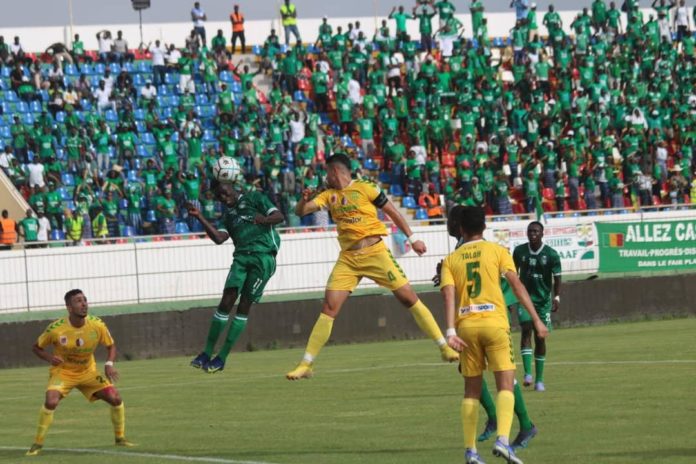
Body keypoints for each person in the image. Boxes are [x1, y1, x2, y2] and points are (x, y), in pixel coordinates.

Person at [285, 153, 459, 380]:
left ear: (336, 171)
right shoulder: (328, 195)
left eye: (327, 172)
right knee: (329, 308)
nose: (325, 176)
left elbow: (393, 212)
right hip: (348, 259)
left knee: (408, 298)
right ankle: (306, 364)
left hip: (376, 253)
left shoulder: (366, 187)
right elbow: (301, 211)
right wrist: (303, 199)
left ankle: (444, 347)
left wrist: (412, 238)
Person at [440, 206, 548, 464]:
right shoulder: (498, 251)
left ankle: (471, 452)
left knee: (471, 391)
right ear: (484, 228)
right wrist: (535, 319)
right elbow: (517, 285)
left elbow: (448, 294)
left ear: (462, 229)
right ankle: (503, 440)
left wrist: (450, 331)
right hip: (495, 324)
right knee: (505, 384)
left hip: (465, 327)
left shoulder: (450, 260)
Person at [25, 289, 134, 456]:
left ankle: (120, 438)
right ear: (69, 307)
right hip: (63, 372)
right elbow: (36, 348)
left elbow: (111, 345)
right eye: (78, 301)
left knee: (115, 398)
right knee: (51, 401)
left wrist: (109, 364)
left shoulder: (97, 325)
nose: (84, 304)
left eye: (85, 300)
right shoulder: (56, 329)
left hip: (88, 372)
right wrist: (49, 358)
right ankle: (37, 443)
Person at [189, 182, 284, 373]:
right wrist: (200, 217)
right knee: (226, 302)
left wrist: (263, 220)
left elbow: (279, 216)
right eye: (219, 197)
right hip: (241, 258)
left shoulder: (254, 198)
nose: (223, 198)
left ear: (233, 187)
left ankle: (221, 357)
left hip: (263, 258)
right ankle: (206, 353)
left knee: (243, 306)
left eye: (224, 192)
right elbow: (219, 238)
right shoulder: (228, 216)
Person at [513, 221, 562, 392]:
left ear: (542, 234)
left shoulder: (551, 254)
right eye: (530, 231)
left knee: (540, 338)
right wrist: (511, 298)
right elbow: (512, 275)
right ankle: (527, 373)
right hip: (525, 300)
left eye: (536, 231)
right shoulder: (519, 252)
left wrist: (556, 297)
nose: (532, 233)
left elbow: (557, 278)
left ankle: (539, 380)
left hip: (543, 302)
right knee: (526, 329)